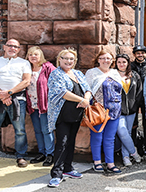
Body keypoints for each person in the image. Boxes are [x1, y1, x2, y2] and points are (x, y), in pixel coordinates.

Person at [0, 39, 31, 169]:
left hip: (18, 99)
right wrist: (1, 95)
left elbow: (26, 81)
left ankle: (21, 156)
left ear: (19, 50)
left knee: (20, 130)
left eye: (15, 47)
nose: (12, 48)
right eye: (10, 45)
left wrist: (9, 92)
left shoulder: (24, 63)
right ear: (4, 47)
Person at [46, 49, 91, 188]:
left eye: (71, 59)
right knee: (62, 142)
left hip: (76, 114)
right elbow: (62, 92)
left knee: (71, 141)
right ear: (59, 59)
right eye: (65, 58)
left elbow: (87, 88)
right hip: (62, 114)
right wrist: (82, 100)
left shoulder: (78, 73)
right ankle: (56, 174)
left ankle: (68, 168)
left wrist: (87, 99)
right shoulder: (56, 74)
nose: (68, 61)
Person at [85, 50, 124, 173]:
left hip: (115, 110)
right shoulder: (92, 73)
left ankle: (110, 163)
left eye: (108, 58)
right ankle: (97, 162)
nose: (105, 60)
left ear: (112, 61)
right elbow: (87, 89)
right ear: (98, 59)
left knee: (110, 138)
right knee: (97, 136)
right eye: (102, 58)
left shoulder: (115, 73)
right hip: (98, 110)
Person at [25, 46, 56, 166]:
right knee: (37, 130)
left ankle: (50, 154)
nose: (33, 56)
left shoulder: (47, 67)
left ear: (41, 56)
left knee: (46, 130)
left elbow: (55, 83)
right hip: (32, 104)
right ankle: (42, 152)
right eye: (31, 54)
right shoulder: (27, 68)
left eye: (36, 54)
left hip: (45, 105)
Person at [115, 54, 143, 167]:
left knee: (128, 133)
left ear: (128, 63)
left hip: (132, 110)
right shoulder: (112, 75)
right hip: (118, 110)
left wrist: (136, 106)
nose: (121, 64)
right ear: (116, 63)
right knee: (122, 131)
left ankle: (125, 157)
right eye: (119, 62)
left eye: (124, 62)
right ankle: (134, 152)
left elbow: (139, 92)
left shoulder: (134, 75)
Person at [130, 45, 146, 156]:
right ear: (134, 54)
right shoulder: (130, 66)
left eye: (142, 53)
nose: (140, 55)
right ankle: (134, 146)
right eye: (138, 53)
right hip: (133, 98)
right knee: (133, 123)